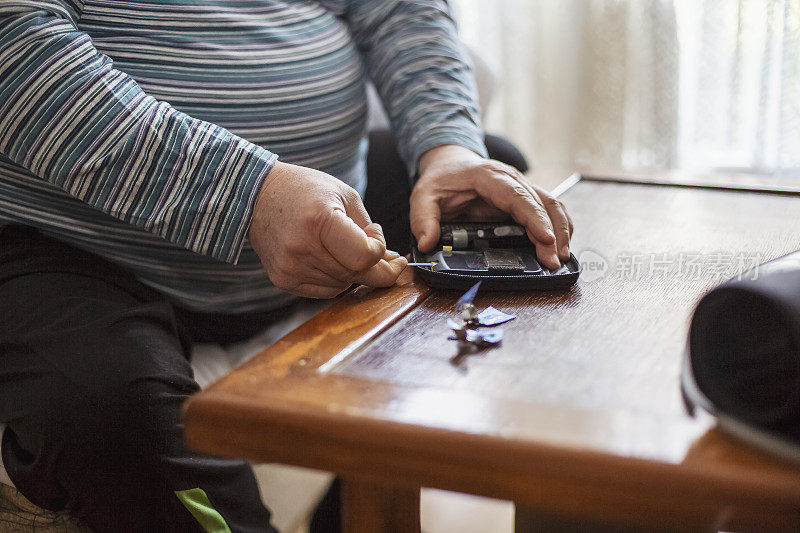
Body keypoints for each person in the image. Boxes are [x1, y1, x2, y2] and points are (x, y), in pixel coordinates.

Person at [0, 1, 573, 531]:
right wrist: (244, 196)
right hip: (71, 244)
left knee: (489, 204)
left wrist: (447, 147)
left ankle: (351, 505)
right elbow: (15, 50)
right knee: (105, 409)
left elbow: (399, 8)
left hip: (326, 196)